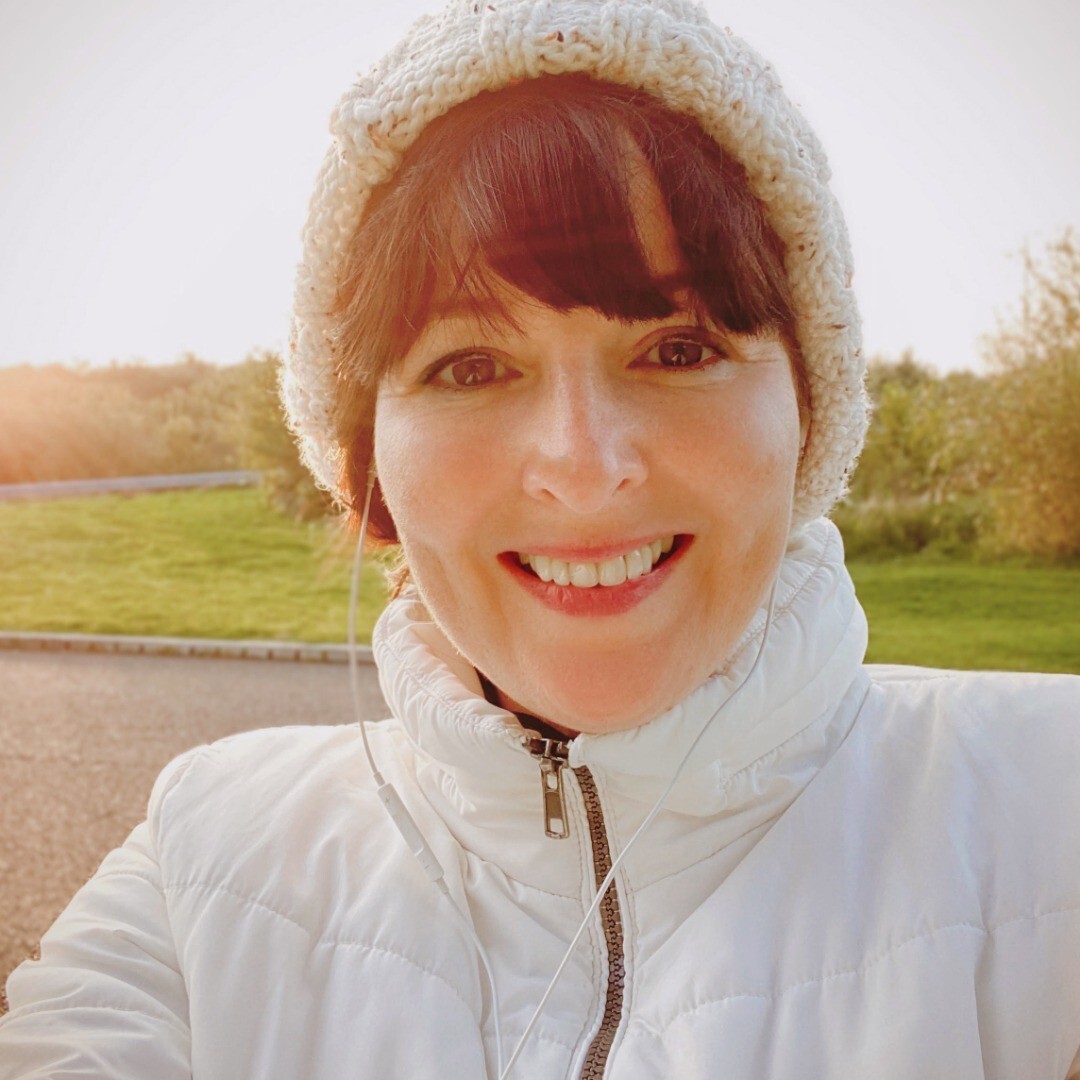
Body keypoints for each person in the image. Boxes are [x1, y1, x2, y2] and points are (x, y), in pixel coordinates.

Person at [2, 0, 1078, 1076]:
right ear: (367, 462)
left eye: (678, 348)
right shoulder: (204, 864)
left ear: (808, 410)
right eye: (470, 367)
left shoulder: (1049, 811)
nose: (582, 466)